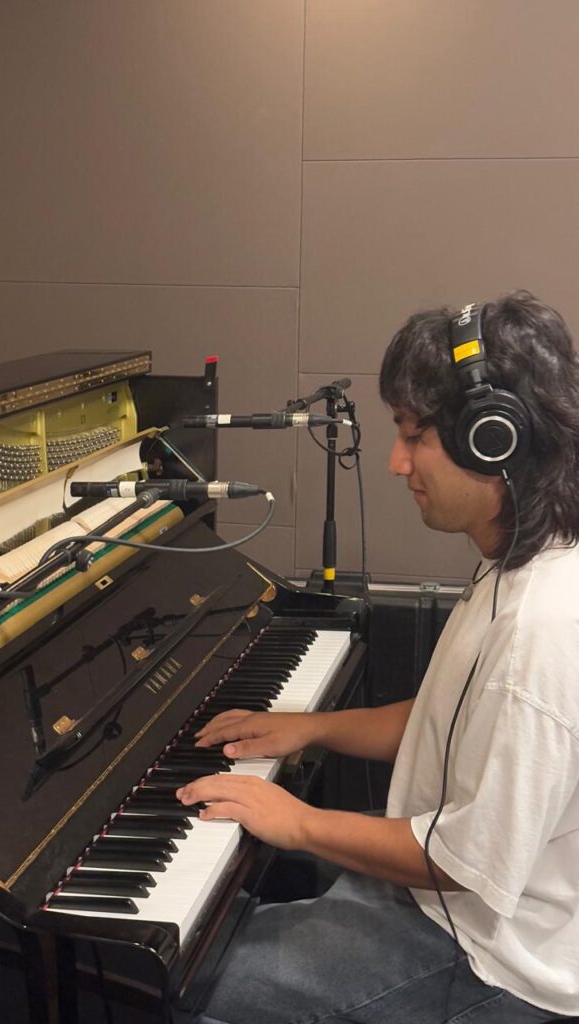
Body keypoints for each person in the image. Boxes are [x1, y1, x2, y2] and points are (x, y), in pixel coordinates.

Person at [175, 291, 579, 1023]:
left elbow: (463, 865)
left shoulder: (545, 628)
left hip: (492, 962)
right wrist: (310, 728)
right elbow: (448, 720)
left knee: (199, 984)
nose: (396, 463)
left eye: (413, 435)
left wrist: (293, 818)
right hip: (448, 902)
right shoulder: (520, 561)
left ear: (493, 441)